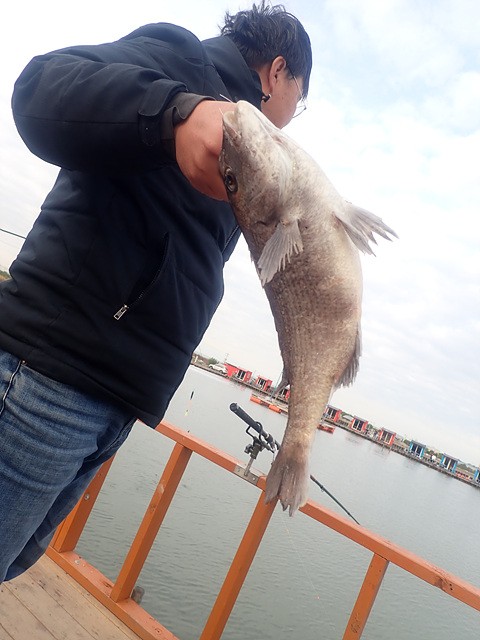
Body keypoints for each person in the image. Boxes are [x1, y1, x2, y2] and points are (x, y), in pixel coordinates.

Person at [0, 1, 312, 582]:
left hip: (116, 400)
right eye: (301, 96)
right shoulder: (181, 58)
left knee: (14, 560)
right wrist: (176, 113)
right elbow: (41, 85)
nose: (295, 114)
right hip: (50, 376)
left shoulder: (251, 152)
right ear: (277, 72)